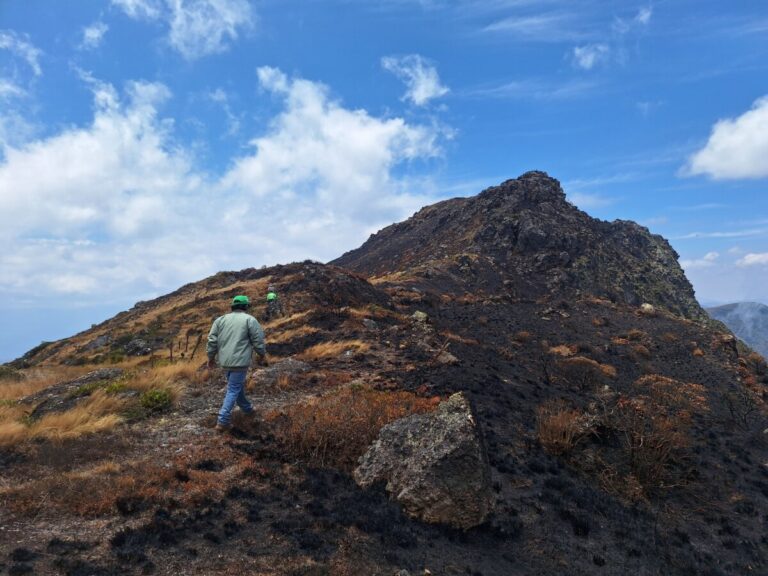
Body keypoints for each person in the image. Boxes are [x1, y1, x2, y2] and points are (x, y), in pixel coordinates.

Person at [207, 295, 268, 432]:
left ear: (232, 306)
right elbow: (257, 340)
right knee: (233, 388)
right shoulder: (249, 320)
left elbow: (212, 341)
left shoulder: (220, 320)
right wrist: (262, 354)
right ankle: (222, 421)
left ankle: (248, 409)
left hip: (225, 361)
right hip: (240, 362)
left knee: (236, 386)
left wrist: (211, 358)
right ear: (246, 306)